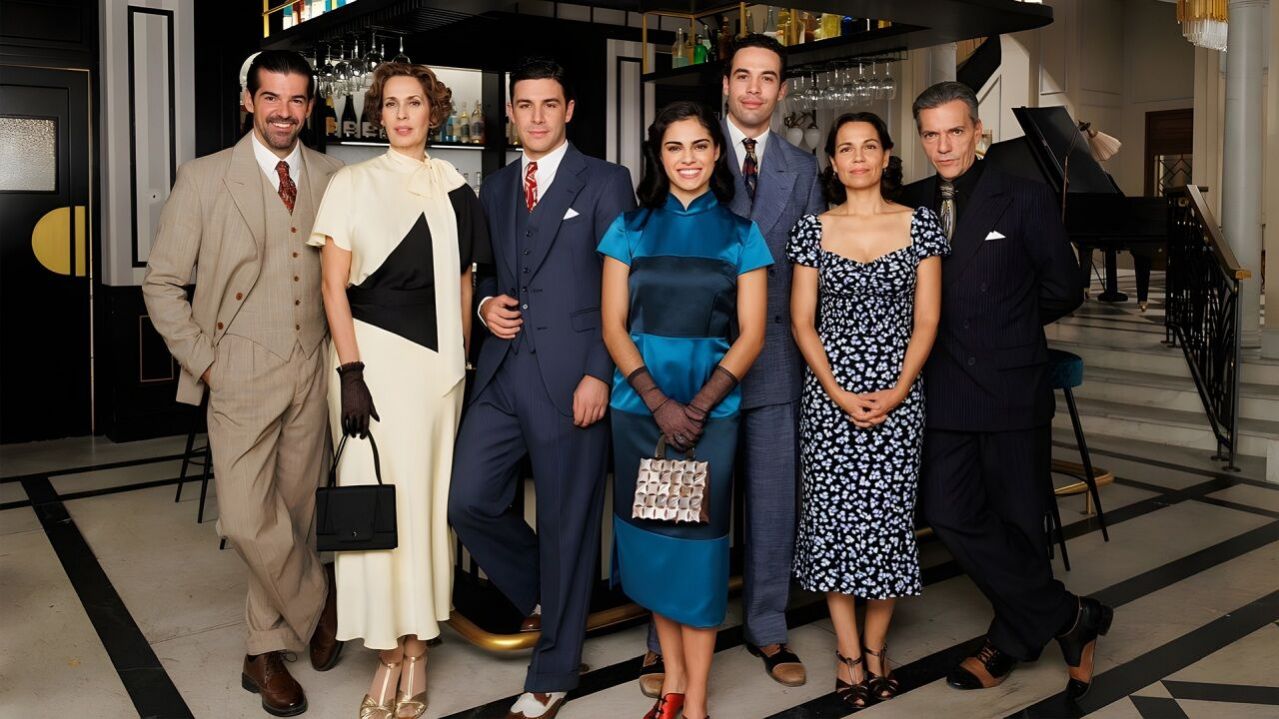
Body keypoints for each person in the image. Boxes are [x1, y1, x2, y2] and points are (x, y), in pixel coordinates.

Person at [142, 50, 344, 717]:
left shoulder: (333, 176)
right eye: (271, 98)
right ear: (248, 101)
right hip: (236, 369)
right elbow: (162, 283)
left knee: (297, 512)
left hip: (311, 364)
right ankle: (322, 601)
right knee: (247, 516)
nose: (284, 112)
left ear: (309, 106)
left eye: (296, 100)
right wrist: (207, 362)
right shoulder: (204, 178)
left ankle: (262, 652)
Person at [898, 81, 1113, 699]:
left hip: (1011, 383)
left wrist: (1006, 327)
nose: (944, 146)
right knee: (947, 511)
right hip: (941, 385)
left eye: (954, 131)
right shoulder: (907, 203)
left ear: (977, 130)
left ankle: (1011, 638)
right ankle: (1071, 616)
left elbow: (1064, 287)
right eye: (931, 134)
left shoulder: (1023, 196)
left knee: (1020, 521)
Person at [634, 32, 826, 698]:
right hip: (690, 369)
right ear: (725, 83)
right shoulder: (690, 148)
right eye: (743, 75)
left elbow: (808, 269)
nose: (753, 88)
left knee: (771, 505)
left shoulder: (802, 170)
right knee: (679, 505)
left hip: (772, 359)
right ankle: (660, 638)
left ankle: (768, 626)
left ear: (781, 89)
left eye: (767, 77)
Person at [447, 57, 636, 719]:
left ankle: (554, 670)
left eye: (548, 104)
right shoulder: (497, 185)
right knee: (467, 498)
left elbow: (625, 283)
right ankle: (552, 593)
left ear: (569, 110)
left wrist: (599, 372)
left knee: (566, 520)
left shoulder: (606, 181)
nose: (535, 116)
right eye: (524, 105)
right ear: (510, 112)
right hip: (503, 370)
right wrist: (484, 306)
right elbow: (487, 271)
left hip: (574, 373)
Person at [308, 62, 487, 719]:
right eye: (391, 103)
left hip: (436, 374)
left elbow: (464, 283)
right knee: (374, 507)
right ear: (378, 113)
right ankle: (386, 650)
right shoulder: (351, 182)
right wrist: (351, 372)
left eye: (415, 103)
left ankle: (418, 647)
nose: (403, 114)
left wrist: (458, 362)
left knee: (423, 511)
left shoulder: (456, 187)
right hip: (369, 366)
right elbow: (332, 286)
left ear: (433, 112)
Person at [601, 100, 771, 719]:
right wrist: (658, 403)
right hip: (639, 414)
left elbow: (752, 335)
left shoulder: (742, 235)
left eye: (700, 145)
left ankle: (694, 701)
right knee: (653, 548)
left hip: (710, 420)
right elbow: (613, 326)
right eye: (674, 147)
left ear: (717, 152)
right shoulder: (628, 228)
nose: (688, 158)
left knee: (697, 556)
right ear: (659, 155)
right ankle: (673, 683)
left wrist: (694, 408)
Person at [787, 113, 946, 710]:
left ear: (885, 157)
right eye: (846, 149)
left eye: (869, 147)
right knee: (832, 524)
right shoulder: (811, 230)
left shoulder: (920, 224)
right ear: (832, 162)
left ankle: (877, 647)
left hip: (899, 397)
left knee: (888, 523)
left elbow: (928, 318)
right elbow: (802, 321)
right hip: (829, 400)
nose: (858, 157)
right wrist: (835, 389)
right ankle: (849, 652)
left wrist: (900, 388)